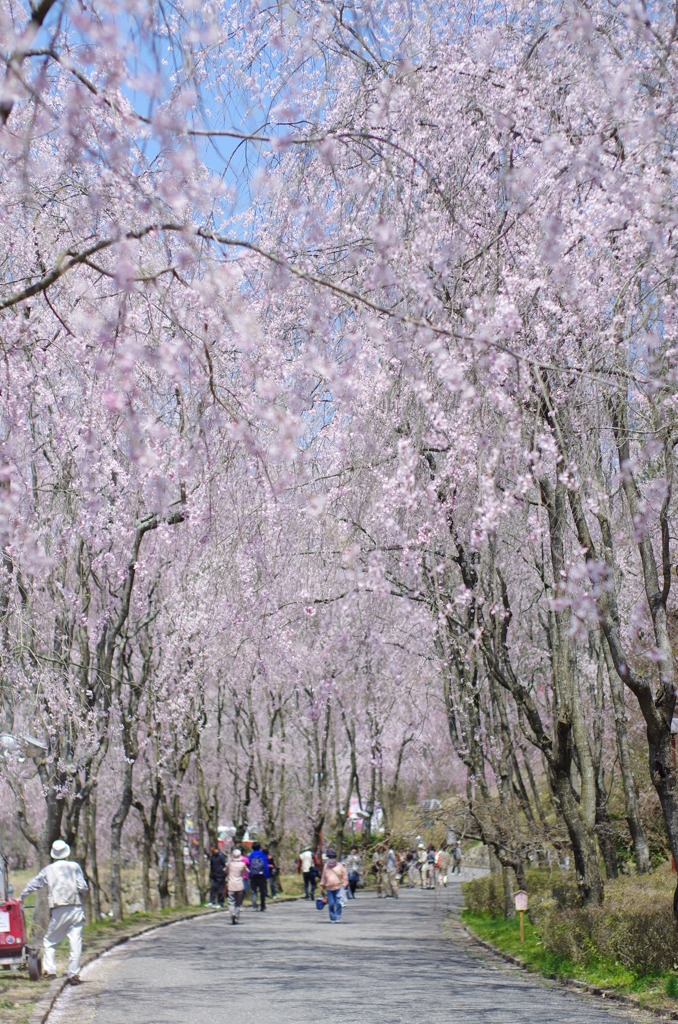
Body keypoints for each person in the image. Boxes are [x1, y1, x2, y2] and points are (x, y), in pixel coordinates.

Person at [20, 839, 88, 984]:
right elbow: (83, 887)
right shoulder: (74, 866)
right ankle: (74, 974)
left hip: (59, 909)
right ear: (66, 852)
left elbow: (35, 883)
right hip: (76, 907)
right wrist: (80, 897)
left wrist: (22, 896)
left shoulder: (49, 870)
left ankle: (50, 971)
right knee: (75, 942)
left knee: (50, 941)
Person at [319, 849, 349, 922]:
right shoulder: (326, 866)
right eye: (330, 857)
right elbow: (323, 877)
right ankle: (332, 917)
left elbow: (345, 876)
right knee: (331, 904)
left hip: (338, 888)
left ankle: (337, 917)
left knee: (338, 903)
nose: (331, 858)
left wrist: (345, 883)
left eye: (333, 857)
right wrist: (321, 885)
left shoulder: (340, 866)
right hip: (329, 888)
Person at [226, 848, 248, 924]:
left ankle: (232, 913)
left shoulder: (230, 864)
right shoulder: (242, 865)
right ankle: (236, 917)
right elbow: (247, 872)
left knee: (231, 901)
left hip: (231, 885)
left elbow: (225, 871)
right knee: (238, 903)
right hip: (239, 885)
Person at [248, 842, 269, 911]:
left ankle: (254, 906)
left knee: (254, 891)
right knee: (262, 891)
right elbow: (266, 866)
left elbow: (249, 866)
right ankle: (262, 906)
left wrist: (249, 874)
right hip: (261, 875)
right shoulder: (263, 855)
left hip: (253, 875)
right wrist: (266, 875)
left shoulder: (251, 855)